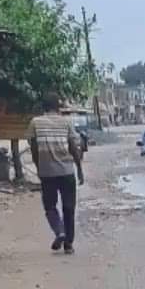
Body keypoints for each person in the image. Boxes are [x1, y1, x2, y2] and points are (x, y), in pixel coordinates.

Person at [27, 93, 85, 254]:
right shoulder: (66, 122)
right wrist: (79, 168)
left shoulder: (35, 122)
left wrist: (39, 167)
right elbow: (73, 147)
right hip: (67, 171)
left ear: (43, 107)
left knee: (50, 206)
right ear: (58, 106)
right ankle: (68, 245)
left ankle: (59, 231)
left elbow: (34, 149)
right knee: (69, 208)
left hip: (47, 172)